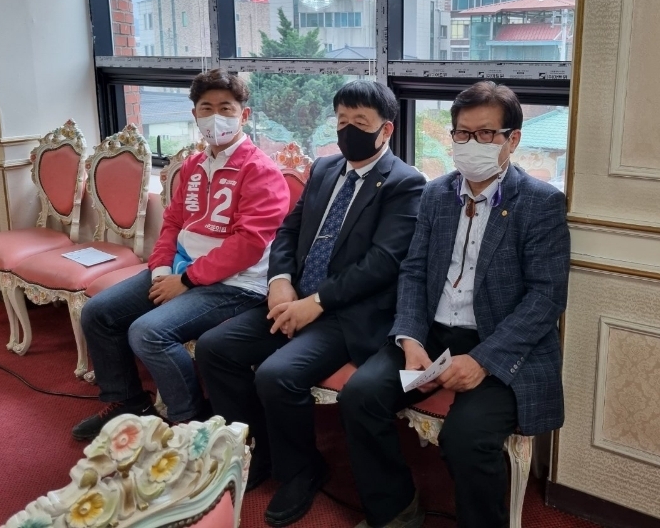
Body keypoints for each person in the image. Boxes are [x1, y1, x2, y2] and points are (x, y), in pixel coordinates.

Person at [338, 81, 570, 528]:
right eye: (462, 133)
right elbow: (413, 271)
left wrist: (483, 360)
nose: (470, 143)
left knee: (466, 439)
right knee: (360, 397)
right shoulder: (436, 193)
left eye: (485, 134)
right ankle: (395, 511)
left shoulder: (540, 203)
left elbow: (546, 297)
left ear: (512, 140)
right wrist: (409, 338)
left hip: (499, 344)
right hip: (432, 333)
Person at [196, 80, 426, 527]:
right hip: (295, 297)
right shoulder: (324, 167)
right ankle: (255, 450)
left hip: (347, 312)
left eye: (360, 122)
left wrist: (317, 302)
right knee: (215, 348)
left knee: (277, 374)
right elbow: (287, 230)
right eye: (342, 120)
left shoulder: (405, 183)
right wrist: (281, 281)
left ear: (386, 129)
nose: (348, 130)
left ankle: (302, 470)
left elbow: (383, 263)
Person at [71, 69, 290, 441]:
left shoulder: (261, 171)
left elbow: (249, 244)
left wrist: (186, 280)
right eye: (206, 108)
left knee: (149, 333)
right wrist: (160, 271)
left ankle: (190, 422)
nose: (216, 117)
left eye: (226, 108)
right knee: (99, 313)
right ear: (195, 114)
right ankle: (128, 402)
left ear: (244, 115)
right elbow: (172, 222)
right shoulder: (193, 165)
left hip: (235, 284)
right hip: (181, 270)